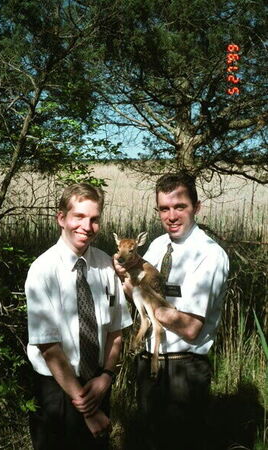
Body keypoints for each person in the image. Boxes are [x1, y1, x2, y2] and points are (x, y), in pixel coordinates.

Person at [114, 172, 229, 450]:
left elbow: (190, 327)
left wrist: (138, 295)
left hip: (183, 370)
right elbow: (134, 291)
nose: (172, 216)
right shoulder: (156, 246)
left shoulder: (208, 255)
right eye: (164, 208)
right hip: (150, 364)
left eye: (180, 207)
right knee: (149, 440)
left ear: (196, 207)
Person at [25, 183, 132, 450]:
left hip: (97, 386)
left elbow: (116, 332)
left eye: (94, 219)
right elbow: (49, 348)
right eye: (79, 217)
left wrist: (107, 375)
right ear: (61, 218)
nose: (87, 226)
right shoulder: (43, 270)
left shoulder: (106, 266)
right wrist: (88, 412)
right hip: (57, 391)